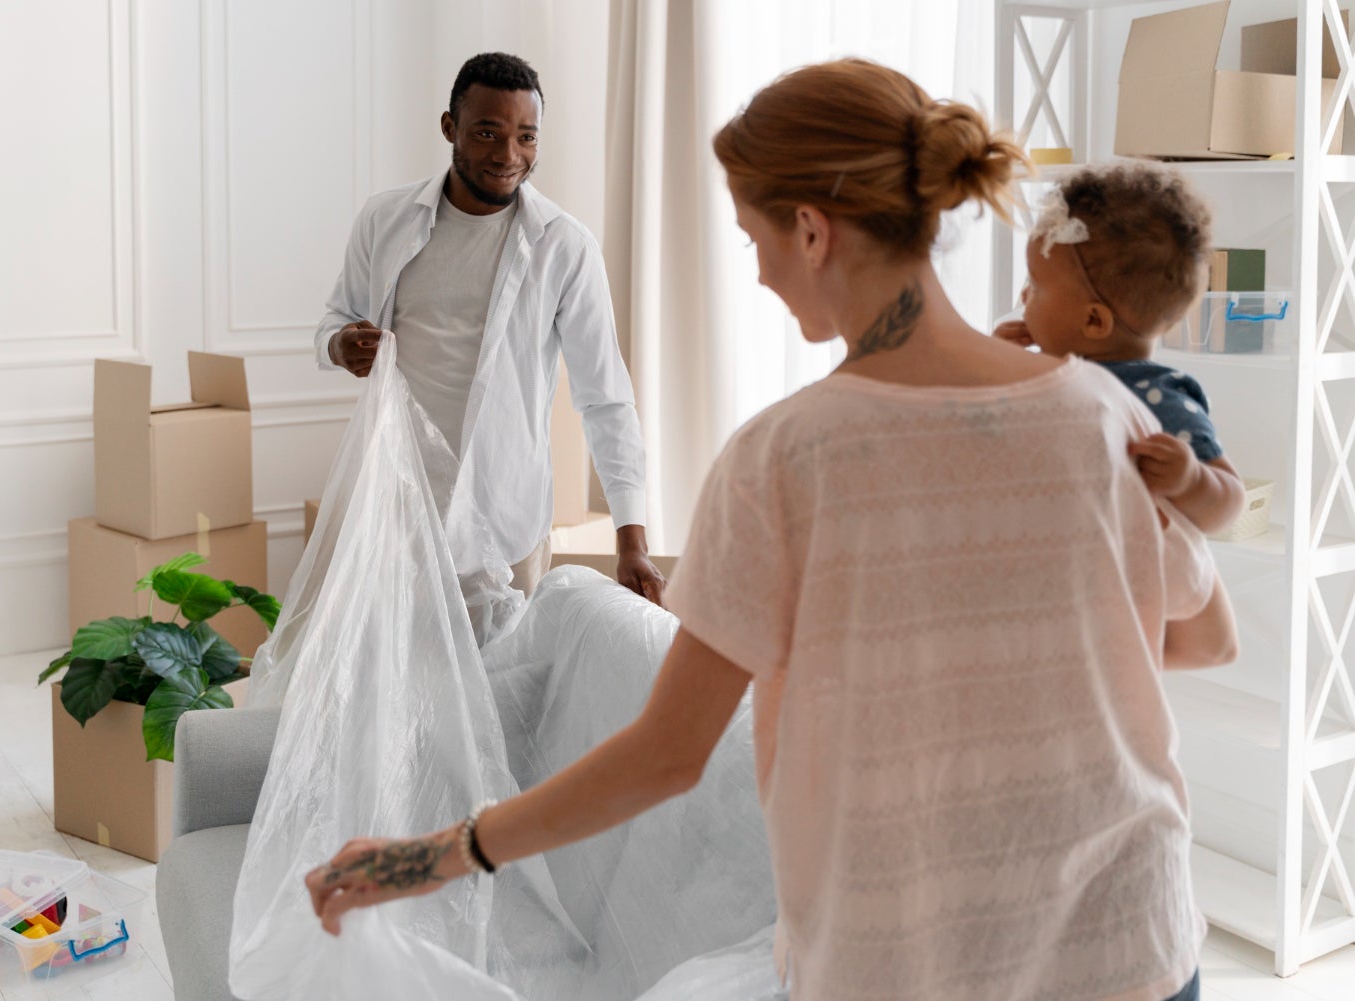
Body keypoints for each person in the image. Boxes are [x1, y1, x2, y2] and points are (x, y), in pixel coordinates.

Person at [306, 58, 1237, 1001]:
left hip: (913, 959)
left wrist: (424, 857)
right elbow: (1204, 637)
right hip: (1134, 940)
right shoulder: (1108, 413)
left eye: (756, 238)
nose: (757, 271)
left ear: (812, 230)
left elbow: (665, 755)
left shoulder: (785, 459)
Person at [314, 52, 664, 601]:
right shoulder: (384, 220)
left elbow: (606, 399)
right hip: (396, 514)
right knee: (391, 661)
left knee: (508, 662)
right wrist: (340, 346)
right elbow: (336, 320)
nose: (508, 155)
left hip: (506, 523)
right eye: (487, 133)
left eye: (527, 137)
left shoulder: (564, 246)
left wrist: (632, 541)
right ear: (449, 127)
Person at [994, 164, 1247, 533]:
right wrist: (998, 368)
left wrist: (1192, 480)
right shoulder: (1041, 372)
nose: (1023, 295)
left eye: (1035, 284)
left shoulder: (1156, 398)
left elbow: (1230, 503)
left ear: (1094, 320)